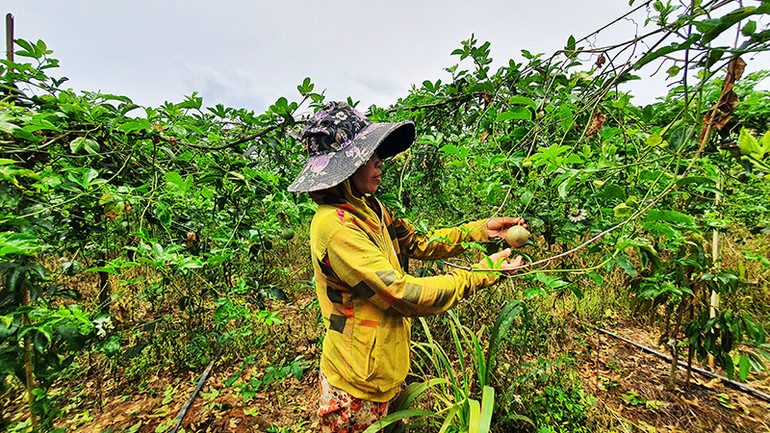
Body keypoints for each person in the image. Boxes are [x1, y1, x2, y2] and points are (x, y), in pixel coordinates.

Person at [288, 101, 526, 432]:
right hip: (356, 382)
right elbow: (402, 293)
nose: (379, 162)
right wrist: (482, 272)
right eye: (368, 156)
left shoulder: (369, 208)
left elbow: (418, 242)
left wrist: (481, 231)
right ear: (345, 168)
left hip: (380, 367)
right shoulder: (337, 227)